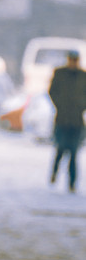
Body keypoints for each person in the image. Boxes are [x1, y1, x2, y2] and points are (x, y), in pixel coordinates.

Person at [49, 50, 86, 192]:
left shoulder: (83, 76)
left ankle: (72, 183)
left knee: (74, 153)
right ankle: (54, 172)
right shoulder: (60, 74)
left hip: (76, 121)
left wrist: (81, 105)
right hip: (62, 119)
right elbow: (52, 91)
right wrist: (60, 104)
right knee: (60, 149)